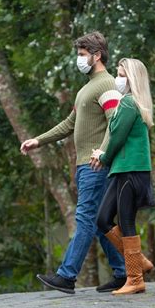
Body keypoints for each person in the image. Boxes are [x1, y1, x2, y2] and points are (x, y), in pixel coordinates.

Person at [20, 32, 126, 294]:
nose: (78, 60)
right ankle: (124, 273)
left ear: (96, 55)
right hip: (84, 165)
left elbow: (115, 121)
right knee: (101, 223)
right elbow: (70, 124)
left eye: (81, 55)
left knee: (86, 219)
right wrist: (39, 140)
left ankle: (66, 276)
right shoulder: (86, 88)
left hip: (95, 165)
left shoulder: (106, 84)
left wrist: (102, 152)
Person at [91, 58, 155, 295]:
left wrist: (102, 155)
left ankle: (135, 278)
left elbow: (117, 137)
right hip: (122, 170)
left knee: (126, 222)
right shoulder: (127, 103)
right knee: (103, 219)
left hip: (131, 169)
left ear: (132, 79)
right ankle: (139, 262)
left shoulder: (129, 103)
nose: (117, 79)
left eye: (121, 74)